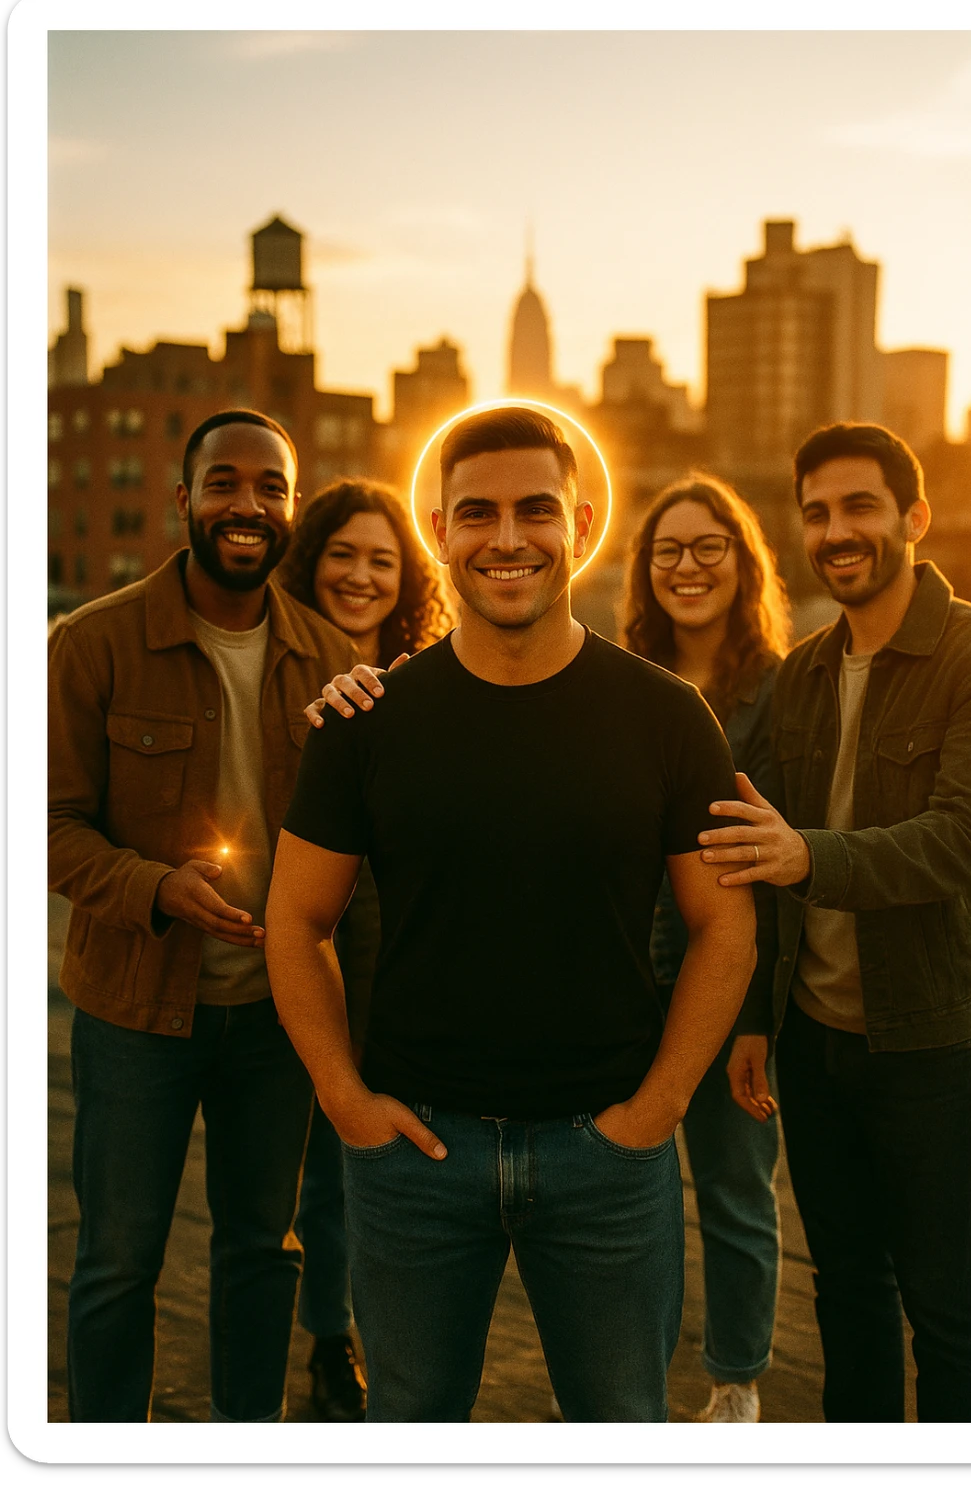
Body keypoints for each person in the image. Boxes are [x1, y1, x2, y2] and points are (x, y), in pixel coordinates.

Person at [265, 405, 757, 1423]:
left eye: (535, 510)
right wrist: (345, 1099)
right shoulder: (366, 723)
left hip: (608, 1155)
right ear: (438, 530)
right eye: (475, 513)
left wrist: (657, 1110)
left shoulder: (666, 715)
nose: (506, 538)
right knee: (409, 1426)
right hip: (413, 1156)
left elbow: (724, 927)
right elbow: (296, 923)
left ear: (580, 525)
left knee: (621, 1421)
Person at [48, 409, 358, 1423]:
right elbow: (47, 828)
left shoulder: (331, 658)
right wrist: (154, 890)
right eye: (224, 483)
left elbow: (369, 844)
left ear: (291, 511)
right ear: (184, 501)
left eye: (270, 488)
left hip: (279, 1014)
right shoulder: (92, 645)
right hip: (136, 1011)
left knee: (263, 1254)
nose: (247, 505)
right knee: (116, 1266)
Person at [699, 422, 971, 1423]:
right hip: (815, 1044)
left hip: (939, 1044)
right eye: (816, 513)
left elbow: (961, 839)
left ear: (913, 517)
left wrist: (809, 856)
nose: (834, 531)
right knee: (847, 1296)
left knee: (952, 1316)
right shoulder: (803, 672)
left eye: (858, 507)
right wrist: (758, 1021)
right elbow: (759, 859)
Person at [273, 479, 454, 1421]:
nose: (361, 575)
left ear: (408, 575)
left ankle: (339, 1338)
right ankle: (296, 1338)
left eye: (384, 560)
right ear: (311, 561)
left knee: (360, 1156)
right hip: (287, 942)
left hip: (390, 954)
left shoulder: (432, 676)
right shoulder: (281, 665)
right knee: (284, 1166)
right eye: (343, 554)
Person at [622, 472, 788, 1423]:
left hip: (733, 979)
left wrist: (756, 1014)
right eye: (667, 550)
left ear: (743, 560)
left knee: (733, 1186)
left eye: (708, 546)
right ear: (646, 571)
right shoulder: (619, 681)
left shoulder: (782, 688)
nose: (687, 566)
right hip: (625, 974)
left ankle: (737, 1382)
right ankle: (627, 1378)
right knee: (629, 1187)